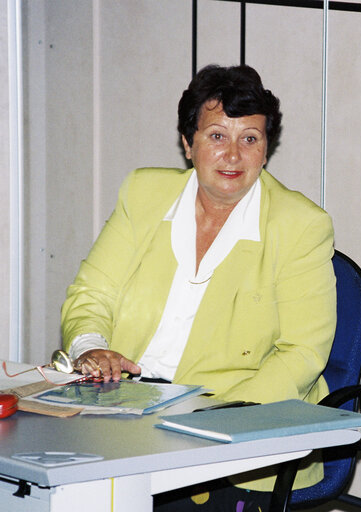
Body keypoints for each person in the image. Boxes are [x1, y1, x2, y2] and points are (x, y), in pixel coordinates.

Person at [60, 64, 336, 510]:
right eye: (216, 136)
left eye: (250, 138)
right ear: (188, 144)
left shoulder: (301, 225)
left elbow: (303, 352)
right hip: (122, 407)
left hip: (234, 432)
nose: (233, 155)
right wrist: (92, 346)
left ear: (266, 149)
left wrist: (213, 419)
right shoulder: (143, 192)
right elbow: (93, 292)